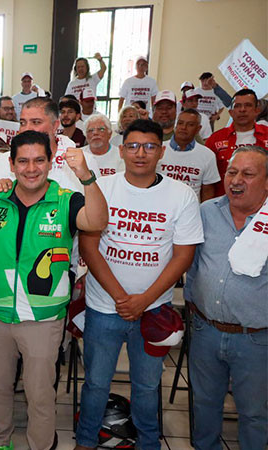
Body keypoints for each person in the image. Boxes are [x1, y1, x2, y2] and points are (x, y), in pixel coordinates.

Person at [0, 113, 108, 450]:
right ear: (11, 164)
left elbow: (96, 221)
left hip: (43, 319)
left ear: (51, 163)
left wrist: (87, 177)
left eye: (39, 160)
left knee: (39, 393)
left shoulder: (67, 199)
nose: (31, 168)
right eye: (23, 161)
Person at [76, 119, 204, 450]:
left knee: (147, 386)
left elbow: (183, 256)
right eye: (133, 146)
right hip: (105, 307)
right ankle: (86, 441)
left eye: (149, 146)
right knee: (95, 383)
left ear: (161, 151)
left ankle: (149, 443)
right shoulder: (102, 189)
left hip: (154, 310)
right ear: (122, 151)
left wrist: (144, 300)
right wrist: (122, 298)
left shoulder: (182, 195)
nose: (140, 153)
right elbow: (90, 247)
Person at [184, 146, 268, 450]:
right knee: (204, 406)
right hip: (206, 330)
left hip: (256, 339)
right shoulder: (207, 211)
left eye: (248, 174)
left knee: (255, 413)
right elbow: (191, 265)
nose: (236, 180)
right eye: (232, 172)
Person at [206, 88, 268, 197]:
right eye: (237, 106)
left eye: (248, 105)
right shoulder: (215, 139)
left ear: (257, 110)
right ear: (231, 112)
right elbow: (207, 179)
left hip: (262, 205)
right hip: (224, 204)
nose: (242, 110)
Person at [158, 109, 220, 202]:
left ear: (198, 129)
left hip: (190, 211)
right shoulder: (158, 149)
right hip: (159, 208)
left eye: (190, 125)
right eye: (180, 123)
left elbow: (207, 192)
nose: (183, 127)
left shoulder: (208, 155)